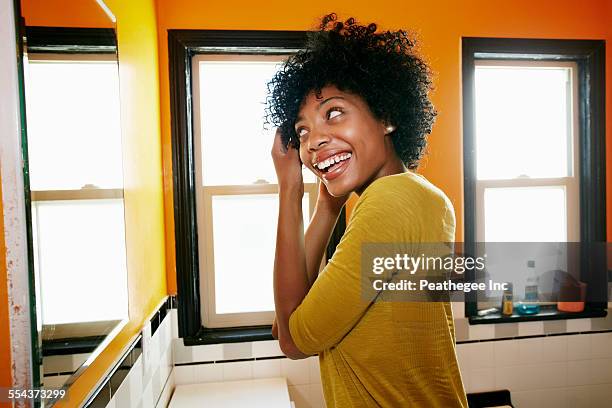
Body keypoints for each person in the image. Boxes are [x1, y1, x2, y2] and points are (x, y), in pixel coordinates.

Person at [266, 13, 468, 407]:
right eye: (302, 130)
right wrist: (327, 206)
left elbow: (292, 341)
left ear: (386, 116)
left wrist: (290, 190)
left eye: (334, 112)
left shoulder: (393, 201)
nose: (313, 142)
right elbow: (286, 321)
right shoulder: (413, 197)